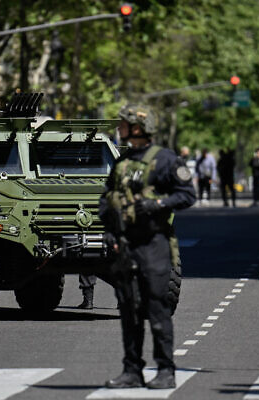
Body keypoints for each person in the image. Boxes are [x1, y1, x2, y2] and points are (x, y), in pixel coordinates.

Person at [100, 104, 195, 389]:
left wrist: (156, 204)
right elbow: (107, 197)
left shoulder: (165, 160)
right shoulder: (122, 162)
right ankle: (132, 370)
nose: (119, 128)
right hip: (127, 245)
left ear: (138, 128)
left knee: (156, 310)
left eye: (124, 124)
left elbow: (187, 195)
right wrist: (109, 230)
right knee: (129, 310)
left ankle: (166, 370)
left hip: (154, 245)